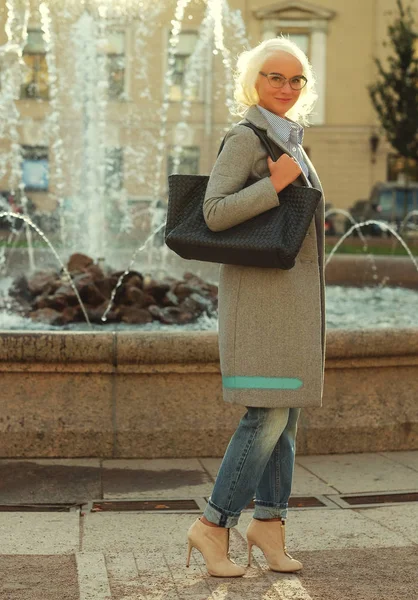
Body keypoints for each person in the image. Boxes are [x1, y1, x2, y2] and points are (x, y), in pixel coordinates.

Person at [186, 36, 326, 577]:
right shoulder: (246, 139)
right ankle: (213, 524)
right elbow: (214, 212)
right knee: (264, 415)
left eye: (296, 80)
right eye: (275, 77)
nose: (286, 88)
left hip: (289, 309)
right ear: (254, 81)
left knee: (285, 419)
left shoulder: (293, 139)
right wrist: (274, 185)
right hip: (261, 312)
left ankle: (268, 525)